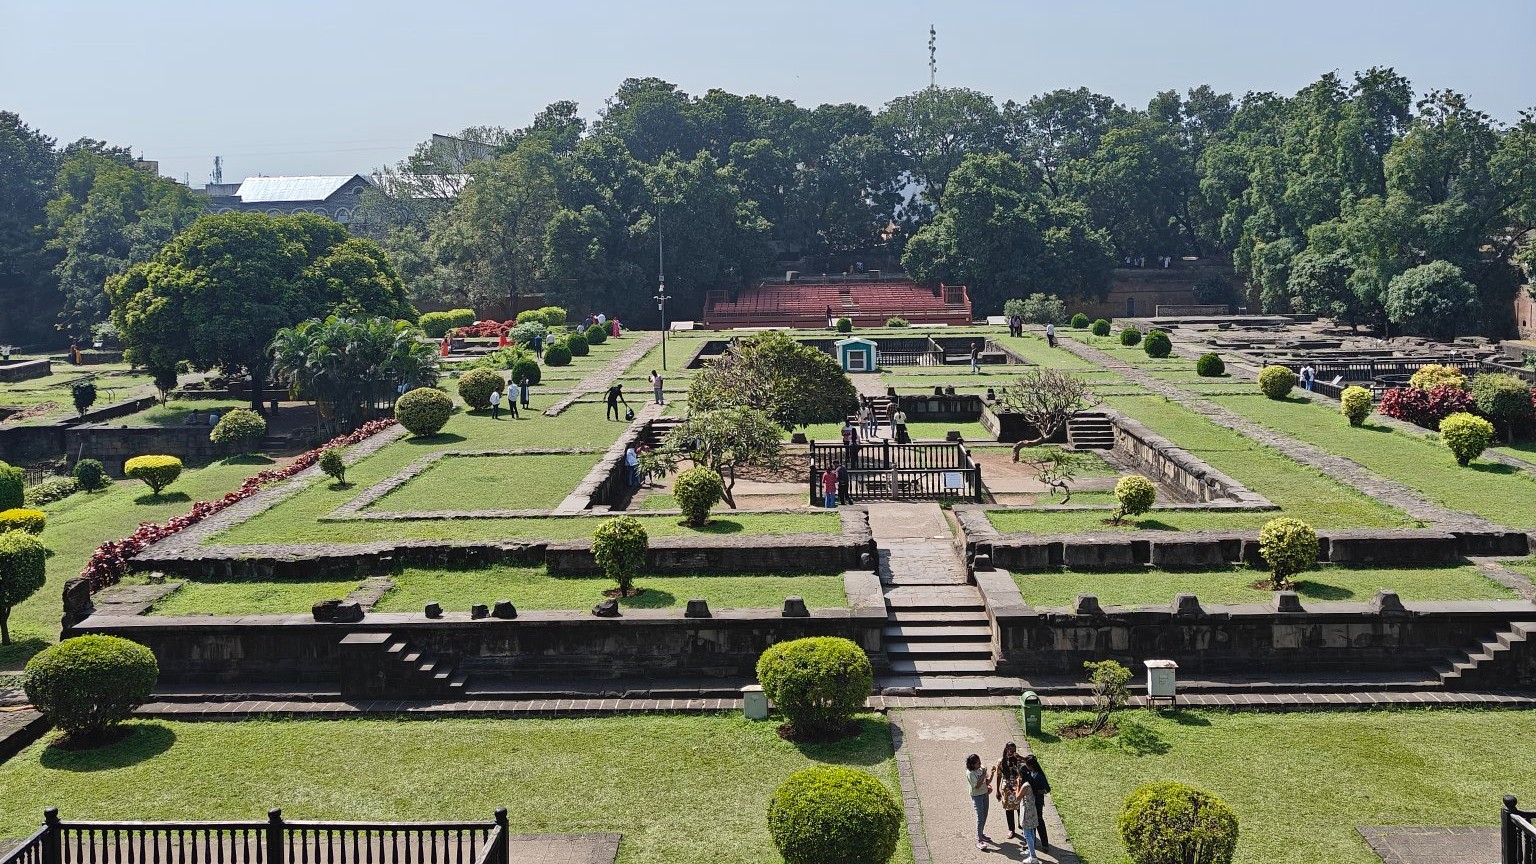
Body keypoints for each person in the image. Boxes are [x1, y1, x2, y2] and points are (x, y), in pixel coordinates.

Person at [1021, 754, 1052, 850]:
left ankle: (1045, 844)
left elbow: (1047, 789)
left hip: (1037, 802)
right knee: (1031, 822)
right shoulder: (1029, 773)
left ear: (1031, 766)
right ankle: (1031, 843)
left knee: (1039, 821)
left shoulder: (1040, 776)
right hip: (1030, 801)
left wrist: (1037, 791)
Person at [966, 754, 994, 850]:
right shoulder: (970, 773)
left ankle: (981, 834)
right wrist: (983, 774)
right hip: (976, 796)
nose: (980, 764)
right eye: (978, 763)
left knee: (984, 815)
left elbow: (987, 782)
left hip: (985, 794)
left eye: (980, 762)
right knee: (980, 817)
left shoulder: (981, 768)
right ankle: (979, 840)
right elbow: (977, 786)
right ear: (973, 765)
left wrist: (992, 774)